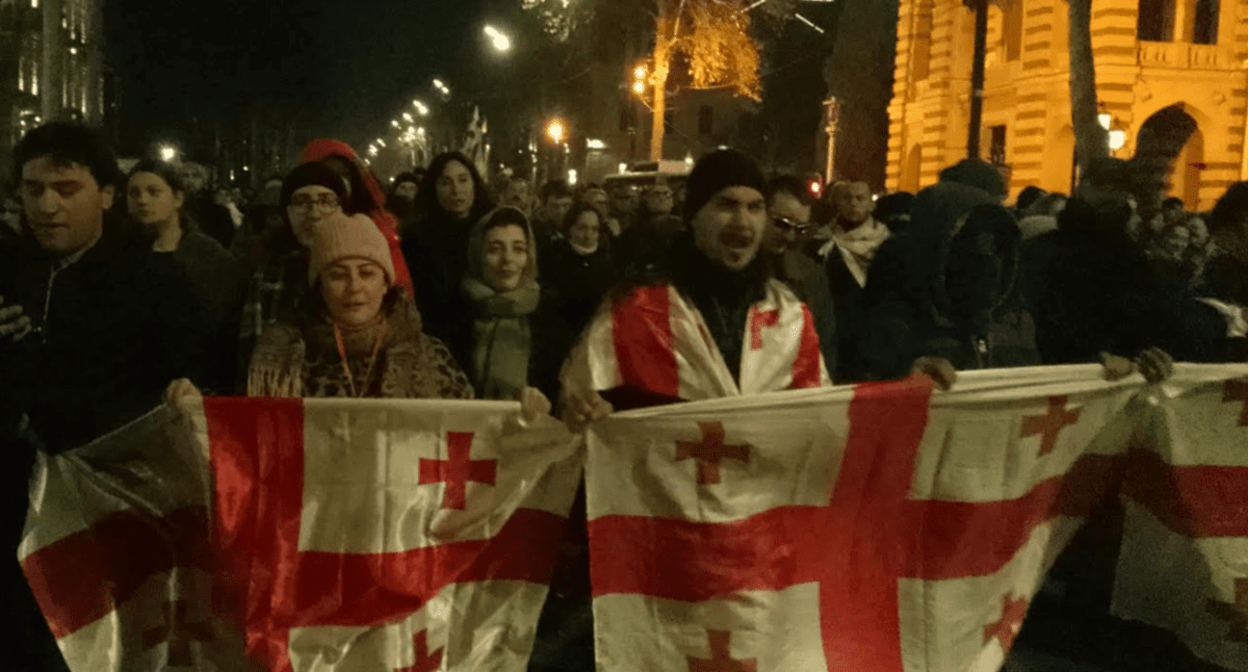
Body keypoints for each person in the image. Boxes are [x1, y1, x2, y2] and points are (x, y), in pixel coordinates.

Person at [0, 123, 210, 672]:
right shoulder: (8, 271)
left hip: (108, 518)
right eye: (32, 189)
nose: (46, 205)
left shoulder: (154, 282)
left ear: (107, 195)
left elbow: (191, 385)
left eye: (66, 189)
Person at [247, 211, 473, 400]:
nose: (354, 287)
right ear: (320, 286)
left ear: (385, 283)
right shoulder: (285, 356)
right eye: (338, 276)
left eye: (366, 273)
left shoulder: (430, 354)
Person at [127, 160, 248, 390]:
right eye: (134, 193)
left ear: (178, 198)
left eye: (154, 192)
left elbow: (224, 330)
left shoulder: (207, 256)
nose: (142, 200)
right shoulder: (125, 254)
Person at [239, 162, 351, 372]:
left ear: (341, 209)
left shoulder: (362, 269)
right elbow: (249, 354)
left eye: (326, 201)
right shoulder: (265, 273)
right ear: (286, 211)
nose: (314, 212)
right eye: (301, 201)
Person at [460, 207, 573, 403]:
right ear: (478, 254)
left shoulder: (551, 321)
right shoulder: (456, 316)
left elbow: (566, 394)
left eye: (518, 249)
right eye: (495, 249)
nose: (508, 259)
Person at [403, 152, 495, 363]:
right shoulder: (416, 239)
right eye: (446, 182)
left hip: (488, 340)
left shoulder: (494, 230)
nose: (456, 190)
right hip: (436, 346)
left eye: (463, 180)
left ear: (474, 183)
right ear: (433, 188)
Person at [301, 139, 414, 295]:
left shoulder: (380, 228)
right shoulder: (299, 231)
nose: (339, 181)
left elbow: (400, 287)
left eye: (344, 174)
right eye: (329, 174)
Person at [807, 180, 892, 382]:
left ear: (871, 205)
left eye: (860, 198)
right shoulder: (822, 244)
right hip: (833, 339)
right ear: (838, 203)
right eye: (847, 198)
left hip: (873, 342)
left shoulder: (887, 244)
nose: (853, 203)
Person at [763, 175, 838, 374]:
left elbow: (825, 346)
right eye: (781, 223)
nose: (790, 236)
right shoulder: (732, 268)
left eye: (799, 229)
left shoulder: (811, 274)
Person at [542, 202, 615, 336]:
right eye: (582, 228)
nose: (588, 235)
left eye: (594, 230)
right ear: (570, 228)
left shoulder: (607, 262)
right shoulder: (554, 257)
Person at [532, 179, 575, 256]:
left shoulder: (576, 228)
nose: (560, 211)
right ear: (544, 206)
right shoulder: (534, 231)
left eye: (566, 206)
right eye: (554, 206)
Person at [386, 170, 422, 236]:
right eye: (403, 188)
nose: (407, 192)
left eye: (412, 188)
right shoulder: (387, 213)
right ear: (395, 190)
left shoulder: (421, 215)